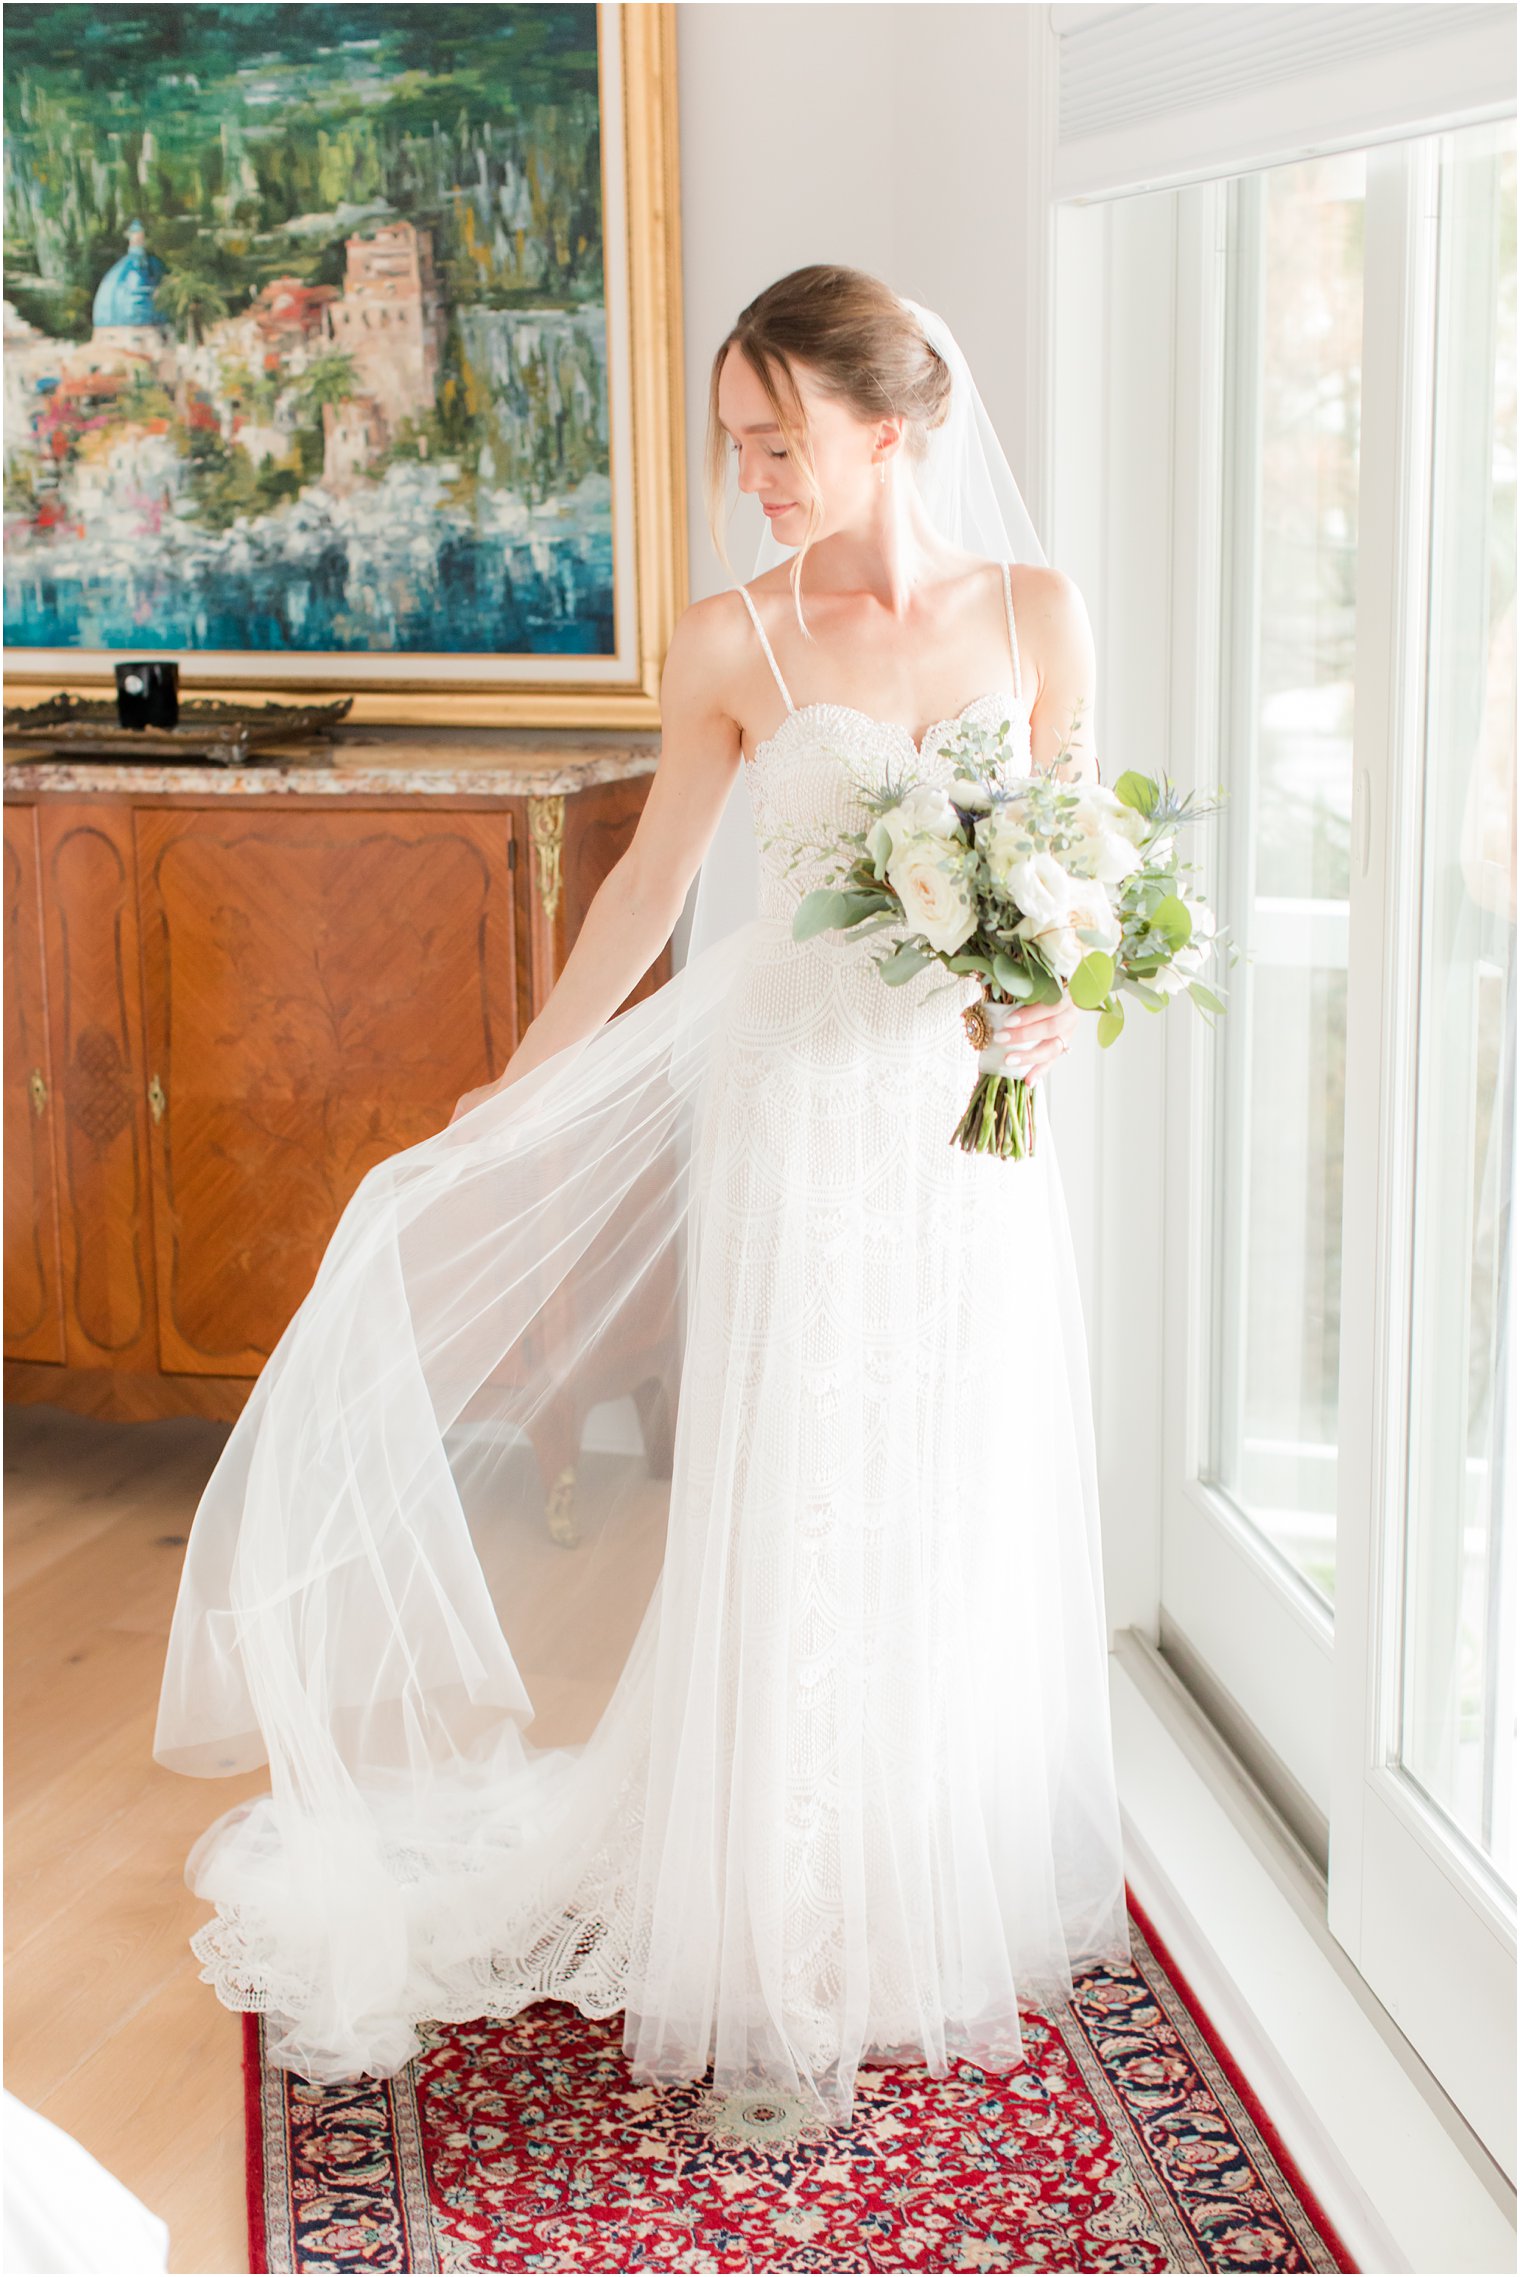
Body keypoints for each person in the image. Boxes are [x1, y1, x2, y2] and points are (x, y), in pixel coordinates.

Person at [154, 264, 1133, 2133]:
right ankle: (777, 1926)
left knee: (943, 1483)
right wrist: (504, 1098)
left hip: (968, 1130)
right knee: (794, 1494)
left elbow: (1070, 874)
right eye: (734, 446)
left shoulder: (1038, 614)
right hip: (797, 1134)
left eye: (780, 442)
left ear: (889, 425)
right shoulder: (727, 646)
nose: (751, 476)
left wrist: (1045, 1004)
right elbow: (641, 902)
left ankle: (910, 1876)